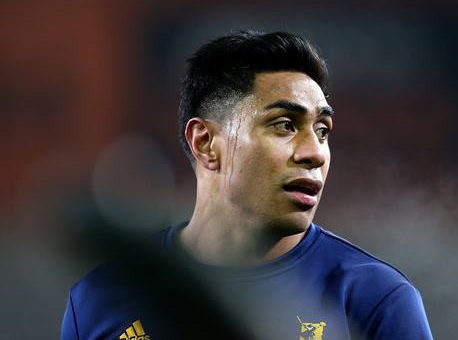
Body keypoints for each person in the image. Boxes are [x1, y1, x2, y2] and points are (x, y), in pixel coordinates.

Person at [61, 30, 434, 340]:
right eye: (284, 125)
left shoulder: (377, 299)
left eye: (322, 131)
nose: (315, 153)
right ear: (206, 143)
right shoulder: (99, 298)